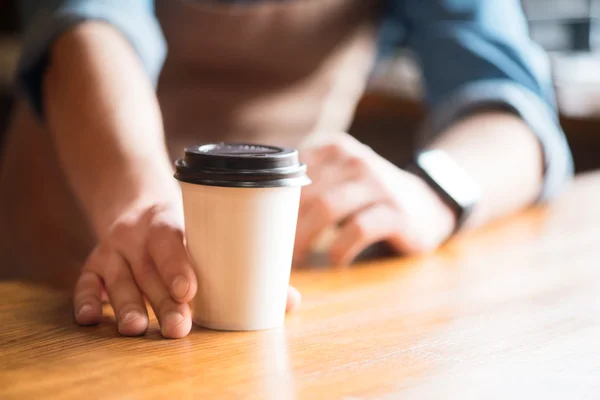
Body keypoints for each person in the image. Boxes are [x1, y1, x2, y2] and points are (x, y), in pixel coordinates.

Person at [0, 0, 573, 338]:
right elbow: (88, 22)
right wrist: (139, 201)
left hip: (284, 284)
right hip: (61, 264)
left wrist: (434, 191)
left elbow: (514, 105)